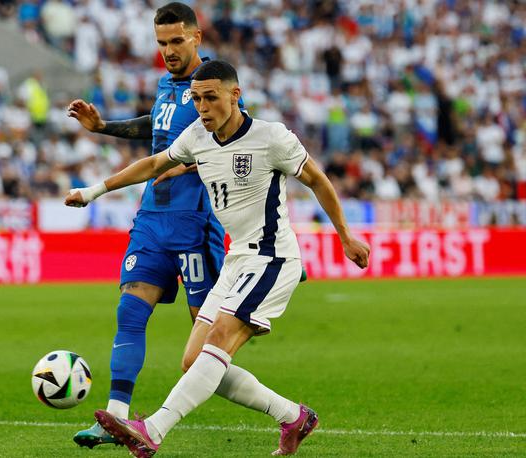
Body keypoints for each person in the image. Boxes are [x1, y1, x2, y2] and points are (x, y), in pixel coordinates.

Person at [64, 60, 370, 457]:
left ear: (234, 95)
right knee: (194, 362)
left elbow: (317, 179)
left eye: (211, 98)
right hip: (236, 260)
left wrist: (345, 236)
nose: (203, 107)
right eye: (197, 99)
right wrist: (93, 191)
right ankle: (293, 416)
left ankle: (152, 429)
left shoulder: (272, 137)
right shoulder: (198, 136)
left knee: (221, 340)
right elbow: (155, 162)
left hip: (272, 257)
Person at [67, 3, 229, 448]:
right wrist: (103, 127)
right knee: (129, 311)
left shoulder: (216, 87)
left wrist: (193, 165)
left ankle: (286, 411)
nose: (168, 52)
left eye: (177, 41)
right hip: (152, 219)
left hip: (195, 222)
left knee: (208, 346)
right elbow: (155, 130)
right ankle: (115, 417)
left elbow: (232, 145)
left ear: (197, 36)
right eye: (161, 44)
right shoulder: (165, 85)